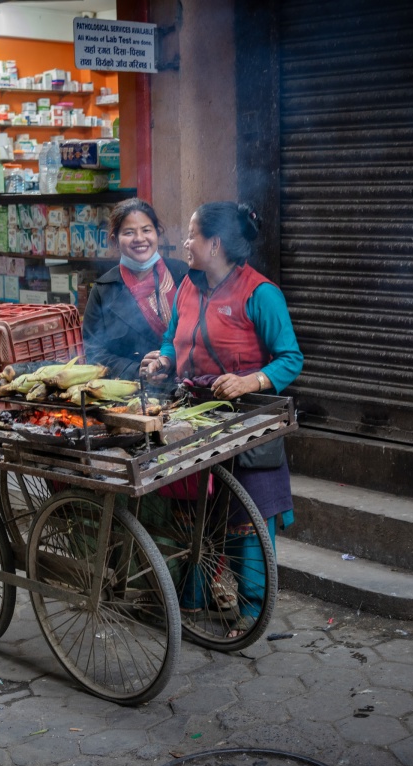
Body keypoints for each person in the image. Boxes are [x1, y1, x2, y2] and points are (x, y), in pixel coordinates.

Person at [140, 201, 304, 635]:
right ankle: (191, 600)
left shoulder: (260, 293)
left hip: (246, 422)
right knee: (192, 511)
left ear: (215, 244)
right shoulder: (188, 288)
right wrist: (162, 359)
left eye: (192, 234)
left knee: (246, 519)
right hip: (192, 415)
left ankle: (251, 611)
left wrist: (251, 382)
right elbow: (173, 338)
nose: (185, 242)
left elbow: (290, 358)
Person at [82, 199, 188, 380]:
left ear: (157, 234)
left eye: (146, 230)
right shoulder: (104, 290)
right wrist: (136, 369)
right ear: (115, 240)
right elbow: (94, 353)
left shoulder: (183, 274)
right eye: (129, 232)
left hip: (189, 383)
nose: (140, 239)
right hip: (136, 394)